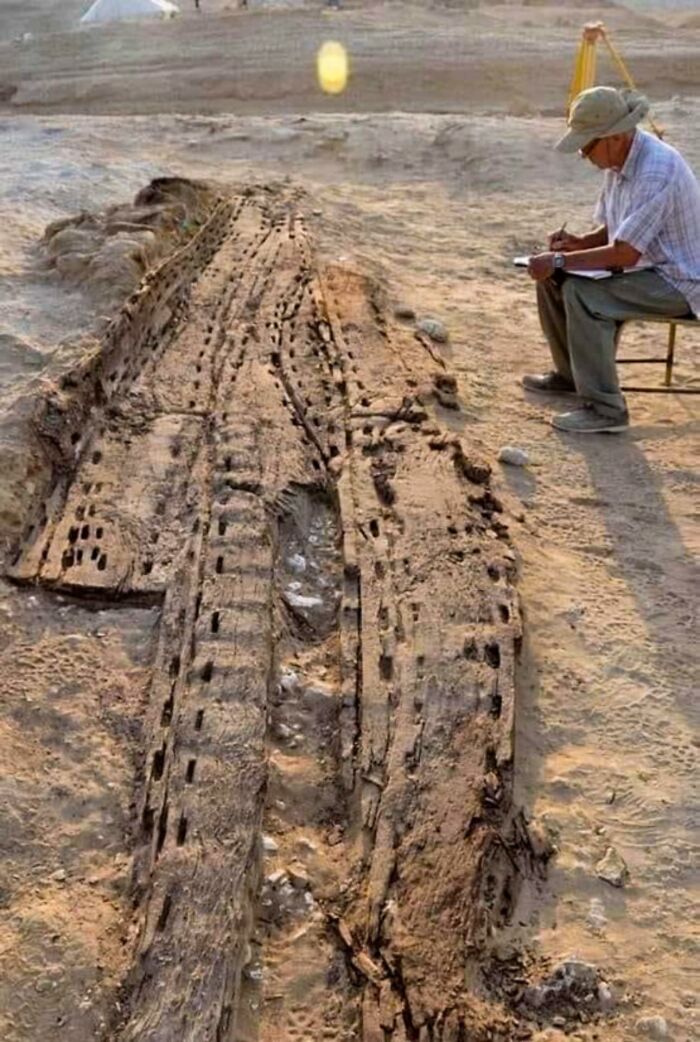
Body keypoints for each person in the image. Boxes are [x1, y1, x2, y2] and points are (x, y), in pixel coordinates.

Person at [525, 86, 700, 433]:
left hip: (682, 280)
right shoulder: (621, 160)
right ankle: (571, 375)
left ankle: (606, 409)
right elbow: (616, 229)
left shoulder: (656, 170)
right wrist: (576, 244)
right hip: (649, 267)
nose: (583, 155)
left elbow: (625, 252)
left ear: (615, 137)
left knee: (583, 293)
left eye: (587, 146)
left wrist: (558, 260)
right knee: (553, 279)